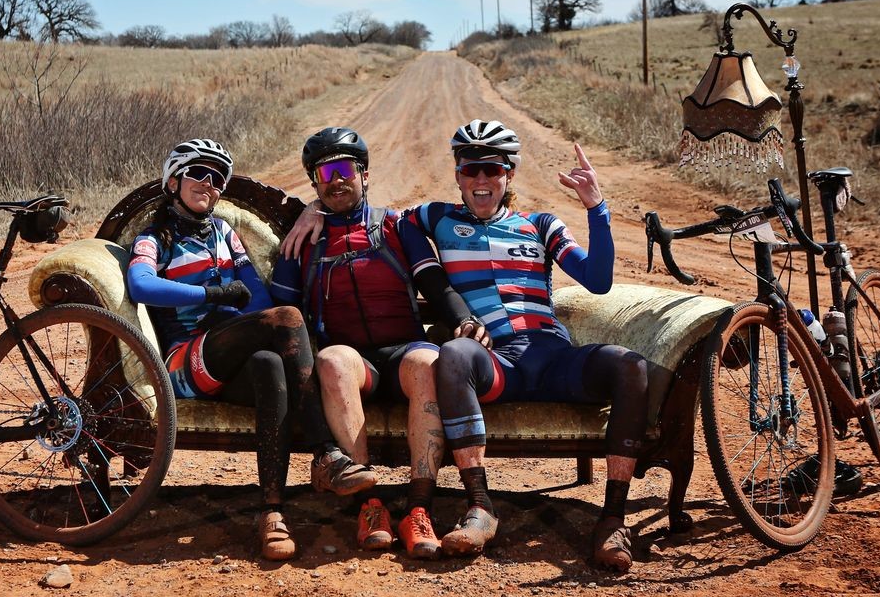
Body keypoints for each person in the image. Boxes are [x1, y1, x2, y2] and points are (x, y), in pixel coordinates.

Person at [405, 119, 649, 571]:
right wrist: (312, 214)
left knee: (630, 365)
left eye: (492, 171)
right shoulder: (433, 218)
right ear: (457, 174)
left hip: (554, 357)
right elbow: (378, 219)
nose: (481, 181)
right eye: (471, 170)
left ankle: (612, 519)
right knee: (454, 354)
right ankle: (481, 507)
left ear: (509, 175)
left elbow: (597, 280)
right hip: (500, 363)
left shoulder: (540, 225)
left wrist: (596, 207)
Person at [126, 139, 364, 561]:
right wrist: (211, 294)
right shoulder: (155, 236)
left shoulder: (223, 233)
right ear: (174, 179)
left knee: (269, 364)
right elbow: (142, 285)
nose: (209, 184)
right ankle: (324, 451)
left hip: (228, 356)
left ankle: (272, 512)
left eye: (218, 179)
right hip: (183, 361)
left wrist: (247, 318)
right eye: (199, 174)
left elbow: (255, 296)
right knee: (287, 318)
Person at [272, 127, 481, 559]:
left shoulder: (396, 226)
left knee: (430, 363)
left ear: (364, 174)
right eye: (324, 172)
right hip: (354, 364)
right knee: (332, 360)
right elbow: (282, 314)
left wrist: (463, 319)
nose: (335, 179)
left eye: (344, 168)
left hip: (404, 351)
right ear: (314, 183)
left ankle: (418, 509)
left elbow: (434, 284)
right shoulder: (302, 242)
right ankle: (369, 506)